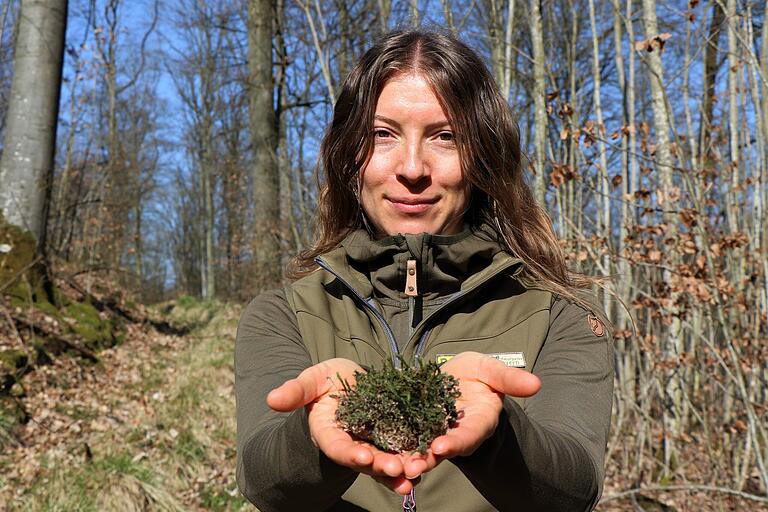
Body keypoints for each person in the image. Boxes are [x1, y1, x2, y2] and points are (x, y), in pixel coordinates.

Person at [235, 29, 614, 512]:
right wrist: (313, 431)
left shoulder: (562, 313)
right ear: (348, 154)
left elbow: (574, 487)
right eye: (382, 134)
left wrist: (497, 434)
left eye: (445, 136)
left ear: (483, 155)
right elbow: (263, 483)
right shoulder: (284, 314)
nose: (412, 168)